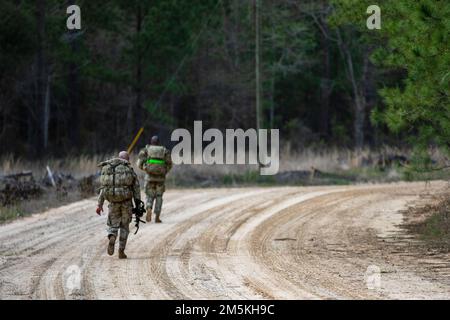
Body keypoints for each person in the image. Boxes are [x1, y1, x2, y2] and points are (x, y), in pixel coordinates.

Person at [96, 151, 141, 259]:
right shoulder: (129, 169)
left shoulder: (108, 169)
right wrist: (138, 205)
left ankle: (112, 236)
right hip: (126, 203)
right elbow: (136, 189)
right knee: (125, 227)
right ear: (127, 159)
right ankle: (121, 251)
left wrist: (99, 204)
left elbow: (104, 188)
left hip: (113, 203)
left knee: (113, 224)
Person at [137, 135, 172, 223]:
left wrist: (146, 169)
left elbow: (139, 163)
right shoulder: (164, 150)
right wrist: (164, 171)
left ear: (151, 142)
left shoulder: (146, 150)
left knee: (149, 195)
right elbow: (169, 164)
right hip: (161, 179)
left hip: (149, 177)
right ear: (158, 142)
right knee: (159, 196)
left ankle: (149, 207)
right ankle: (157, 216)